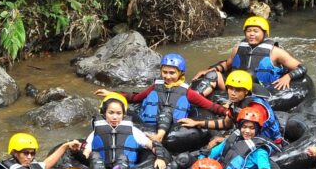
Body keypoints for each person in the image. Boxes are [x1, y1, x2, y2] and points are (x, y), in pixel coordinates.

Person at [95, 53, 229, 143]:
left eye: (172, 73)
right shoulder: (155, 87)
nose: (167, 76)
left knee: (167, 110)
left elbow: (209, 106)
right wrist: (112, 93)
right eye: (165, 72)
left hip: (173, 129)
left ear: (180, 73)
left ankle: (159, 137)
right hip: (146, 125)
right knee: (112, 108)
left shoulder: (187, 92)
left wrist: (226, 112)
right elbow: (135, 97)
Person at [75, 94, 169, 169]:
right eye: (111, 113)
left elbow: (152, 144)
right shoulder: (96, 132)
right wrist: (77, 152)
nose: (115, 117)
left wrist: (160, 157)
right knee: (94, 155)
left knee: (122, 158)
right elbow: (86, 154)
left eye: (118, 113)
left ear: (123, 115)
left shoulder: (133, 131)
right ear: (105, 114)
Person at [193, 16, 307, 95]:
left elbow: (301, 67)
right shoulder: (238, 48)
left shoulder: (275, 52)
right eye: (248, 31)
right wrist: (209, 70)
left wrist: (288, 77)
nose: (251, 34)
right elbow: (227, 65)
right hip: (234, 88)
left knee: (250, 74)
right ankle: (194, 99)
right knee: (212, 75)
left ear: (265, 33)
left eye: (256, 31)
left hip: (263, 89)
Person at [179, 70, 284, 144]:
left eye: (237, 90)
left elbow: (250, 134)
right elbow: (225, 123)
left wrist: (224, 139)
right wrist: (197, 123)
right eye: (231, 89)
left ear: (246, 91)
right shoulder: (236, 103)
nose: (232, 93)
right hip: (248, 136)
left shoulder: (255, 108)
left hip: (266, 141)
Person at [202, 106, 276, 169]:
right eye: (244, 127)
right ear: (240, 127)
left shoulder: (259, 151)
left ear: (257, 130)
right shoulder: (233, 138)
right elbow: (214, 152)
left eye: (252, 128)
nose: (247, 131)